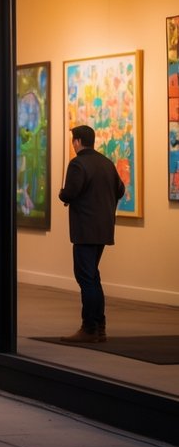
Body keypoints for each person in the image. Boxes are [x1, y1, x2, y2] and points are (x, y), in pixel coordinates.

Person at [58, 124, 125, 343]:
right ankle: (100, 327)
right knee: (93, 276)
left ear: (77, 142)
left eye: (73, 141)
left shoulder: (78, 164)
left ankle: (89, 327)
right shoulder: (107, 163)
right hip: (103, 229)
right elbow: (121, 190)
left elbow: (70, 192)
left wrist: (63, 194)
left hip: (85, 230)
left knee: (86, 278)